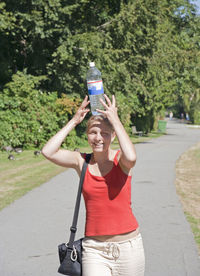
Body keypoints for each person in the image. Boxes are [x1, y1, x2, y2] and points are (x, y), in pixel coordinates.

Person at [42, 94, 145, 276]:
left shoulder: (120, 159)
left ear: (113, 136)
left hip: (129, 249)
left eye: (104, 133)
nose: (98, 138)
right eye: (93, 132)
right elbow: (48, 151)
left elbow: (132, 157)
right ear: (87, 135)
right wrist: (74, 121)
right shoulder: (81, 161)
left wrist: (115, 119)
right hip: (94, 249)